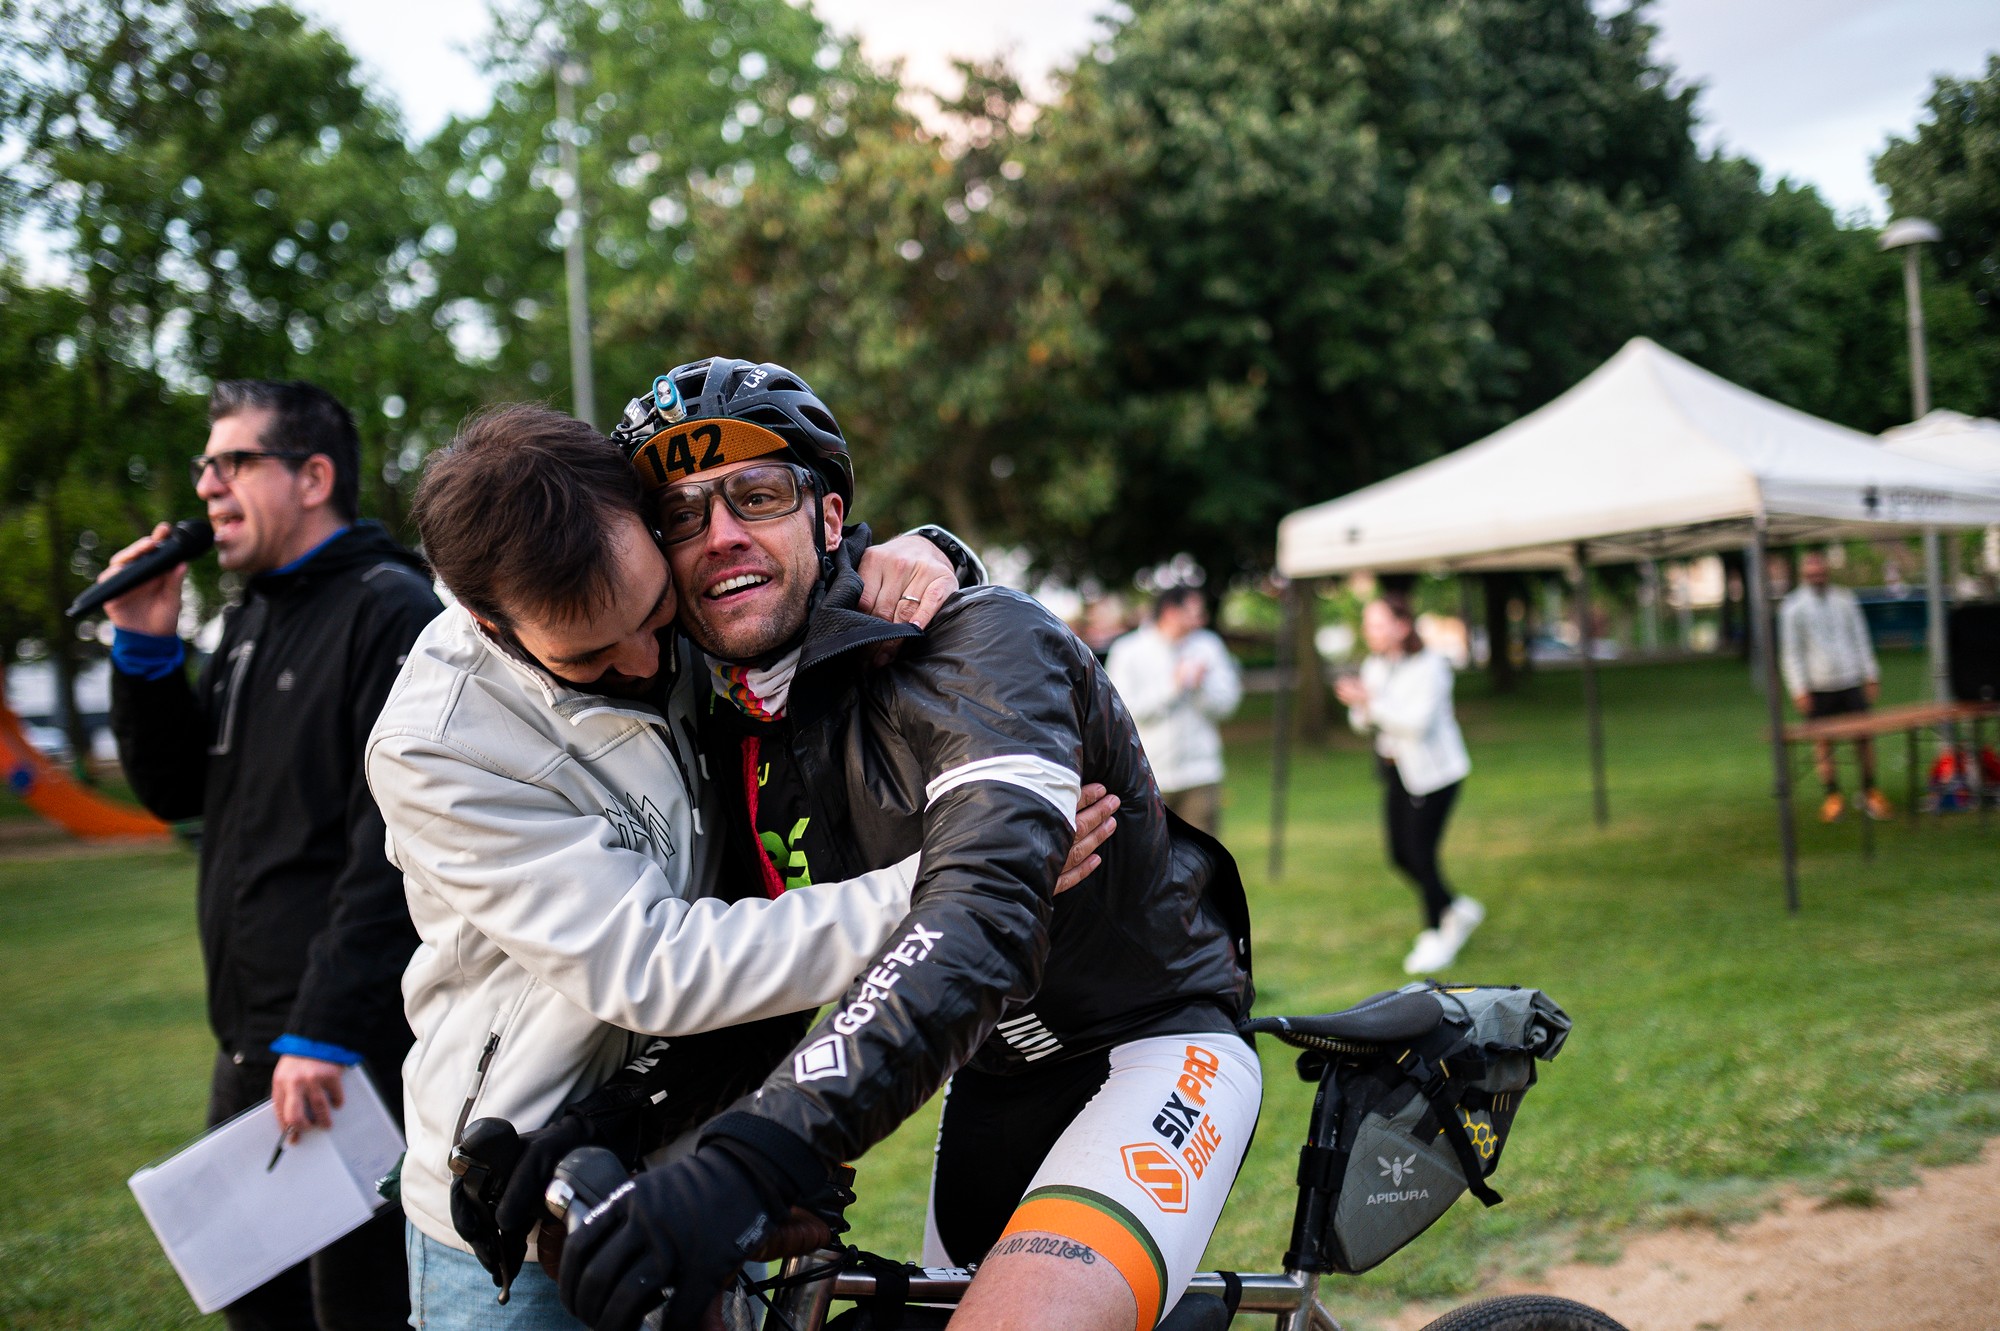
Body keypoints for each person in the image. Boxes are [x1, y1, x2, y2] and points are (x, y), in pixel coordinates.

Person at [365, 404, 1117, 1329]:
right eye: (592, 656)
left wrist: (922, 557)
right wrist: (947, 878)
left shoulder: (674, 606)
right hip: (524, 1190)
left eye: (655, 615)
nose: (648, 658)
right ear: (489, 620)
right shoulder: (436, 744)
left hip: (699, 1157)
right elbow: (653, 965)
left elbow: (793, 565)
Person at [557, 358, 1259, 1331]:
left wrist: (756, 1153)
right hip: (988, 1078)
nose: (720, 535)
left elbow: (982, 914)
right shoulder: (737, 721)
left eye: (757, 496)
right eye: (680, 515)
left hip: (1153, 1048)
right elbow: (763, 979)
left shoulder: (982, 641)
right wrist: (600, 1120)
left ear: (830, 518)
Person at [101, 380, 440, 1331]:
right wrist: (145, 649)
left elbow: (393, 846)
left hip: (351, 1048)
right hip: (252, 1040)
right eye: (206, 464)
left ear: (313, 476)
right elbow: (181, 792)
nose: (206, 484)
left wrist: (326, 1029)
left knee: (364, 1308)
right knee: (255, 1299)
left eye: (233, 461)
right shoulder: (248, 619)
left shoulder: (390, 609)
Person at [1334, 594, 1481, 976]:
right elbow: (1361, 722)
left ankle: (1437, 935)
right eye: (1368, 624)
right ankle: (1455, 908)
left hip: (1436, 774)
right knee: (1399, 855)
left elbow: (1416, 725)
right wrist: (1361, 703)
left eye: (1378, 624)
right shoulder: (1376, 665)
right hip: (1396, 771)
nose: (1370, 632)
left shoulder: (1430, 666)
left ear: (1402, 626)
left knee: (1421, 854)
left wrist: (1370, 703)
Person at [1106, 585, 1243, 835]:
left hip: (1200, 773)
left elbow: (1227, 705)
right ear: (1171, 612)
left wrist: (1200, 687)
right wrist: (1174, 688)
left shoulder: (1208, 646)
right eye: (1194, 612)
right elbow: (1123, 712)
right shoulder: (1129, 650)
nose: (1201, 619)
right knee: (1150, 850)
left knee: (1202, 850)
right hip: (1148, 774)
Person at [1780, 549, 1891, 822]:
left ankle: (1869, 790)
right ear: (1804, 574)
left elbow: (1860, 637)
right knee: (1823, 742)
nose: (1817, 576)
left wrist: (1870, 673)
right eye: (1811, 573)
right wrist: (1798, 689)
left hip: (1850, 679)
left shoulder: (1844, 599)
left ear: (1827, 572)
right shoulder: (1793, 606)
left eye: (1820, 572)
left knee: (1863, 737)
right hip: (1818, 685)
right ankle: (1832, 796)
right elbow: (1791, 652)